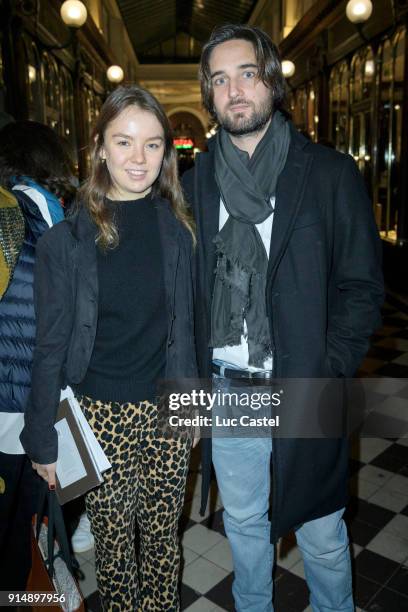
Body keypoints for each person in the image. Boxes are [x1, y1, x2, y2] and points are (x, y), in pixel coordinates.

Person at [182, 24, 384, 612]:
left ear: (271, 79)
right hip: (229, 387)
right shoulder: (193, 186)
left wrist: (332, 364)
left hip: (307, 381)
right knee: (244, 525)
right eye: (220, 80)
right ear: (210, 95)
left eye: (247, 73)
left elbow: (361, 285)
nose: (235, 90)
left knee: (322, 531)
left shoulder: (327, 174)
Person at [20, 85, 197, 612]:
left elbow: (184, 331)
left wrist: (193, 415)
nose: (138, 159)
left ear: (166, 151)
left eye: (152, 144)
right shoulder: (66, 243)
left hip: (167, 412)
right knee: (116, 551)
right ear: (99, 146)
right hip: (99, 418)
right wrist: (41, 441)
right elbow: (48, 346)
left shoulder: (178, 230)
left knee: (164, 540)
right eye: (124, 142)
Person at [0, 120, 75, 591]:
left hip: (11, 412)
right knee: (22, 529)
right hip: (37, 408)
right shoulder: (56, 217)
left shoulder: (14, 214)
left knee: (11, 534)